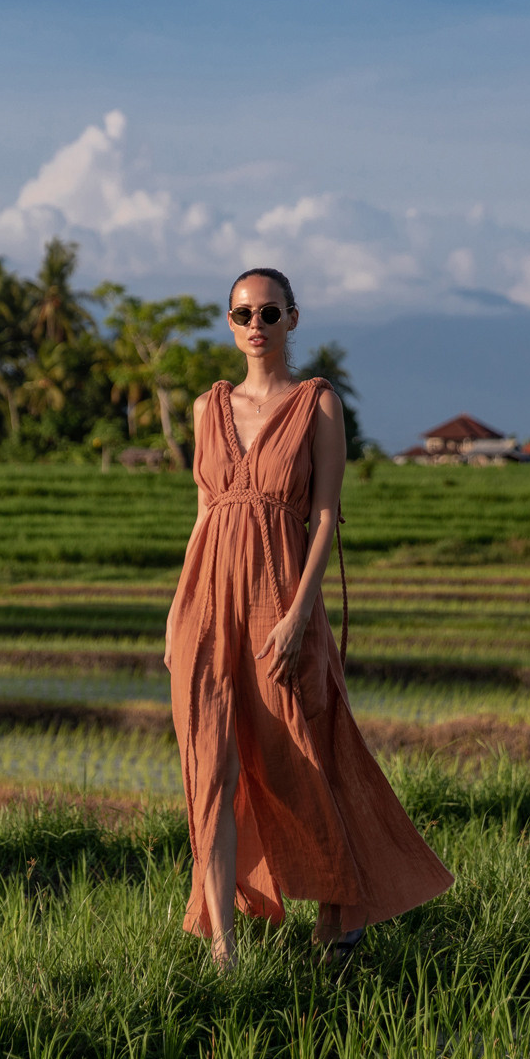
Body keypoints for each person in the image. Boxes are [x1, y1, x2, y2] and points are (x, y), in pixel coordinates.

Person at [164, 267, 453, 969]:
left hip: (280, 596)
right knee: (210, 766)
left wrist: (298, 615)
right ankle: (224, 949)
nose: (255, 326)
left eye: (269, 313)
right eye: (243, 314)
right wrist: (176, 613)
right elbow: (204, 515)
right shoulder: (207, 408)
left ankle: (339, 911)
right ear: (229, 323)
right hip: (206, 601)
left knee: (302, 753)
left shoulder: (318, 403)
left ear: (292, 319)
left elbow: (324, 517)